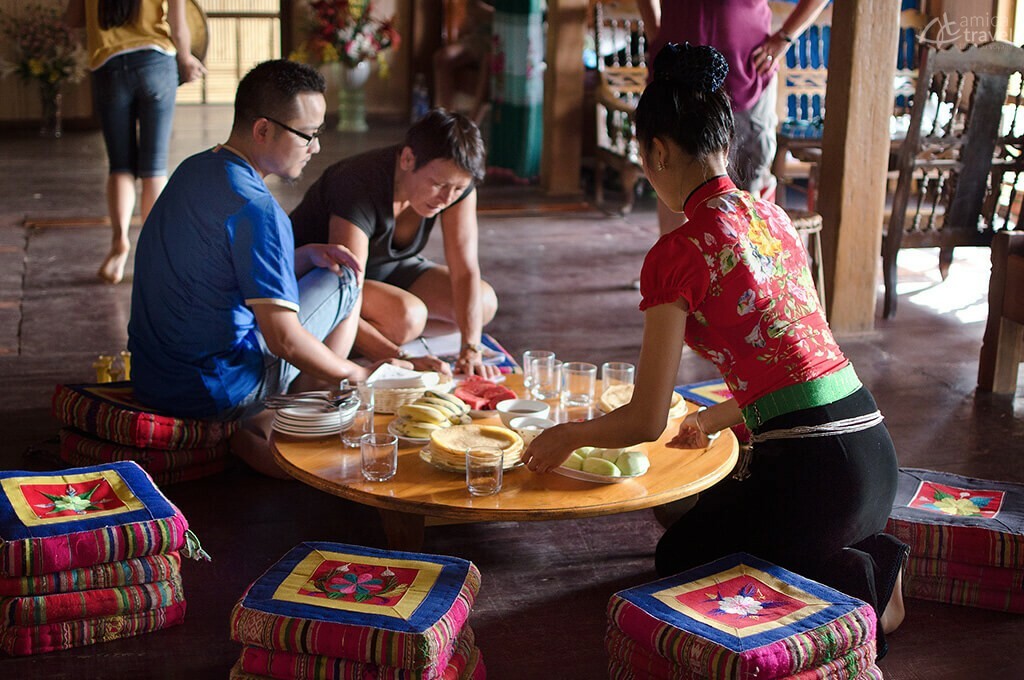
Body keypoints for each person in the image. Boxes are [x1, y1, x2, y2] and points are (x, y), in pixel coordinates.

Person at [521, 44, 907, 657]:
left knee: (678, 553)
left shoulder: (676, 253)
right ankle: (865, 547)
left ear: (658, 151)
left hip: (817, 476)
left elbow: (645, 420)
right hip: (874, 453)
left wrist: (566, 436)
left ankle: (855, 579)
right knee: (693, 515)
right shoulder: (775, 220)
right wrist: (714, 416)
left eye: (644, 157)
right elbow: (800, 361)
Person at [128, 59, 406, 478]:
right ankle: (310, 408)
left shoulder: (194, 168)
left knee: (321, 266)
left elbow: (216, 268)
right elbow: (284, 341)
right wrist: (356, 372)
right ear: (263, 129)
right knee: (346, 277)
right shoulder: (258, 207)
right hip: (215, 392)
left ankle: (276, 414)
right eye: (308, 135)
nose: (315, 148)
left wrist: (300, 254)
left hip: (152, 378)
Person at [289, 108, 500, 379]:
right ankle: (357, 338)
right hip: (323, 281)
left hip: (387, 270)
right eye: (438, 184)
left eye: (458, 189)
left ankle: (383, 329)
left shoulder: (454, 184)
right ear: (408, 159)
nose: (447, 198)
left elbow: (465, 269)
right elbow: (347, 287)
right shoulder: (357, 182)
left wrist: (471, 348)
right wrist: (403, 359)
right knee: (407, 317)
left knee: (482, 303)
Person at [636, 0, 829, 235]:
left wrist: (784, 37)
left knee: (749, 183)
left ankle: (747, 266)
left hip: (747, 72)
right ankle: (672, 267)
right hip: (676, 70)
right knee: (671, 168)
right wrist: (655, 30)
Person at [65, 0, 206, 284]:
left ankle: (119, 243)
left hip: (108, 66)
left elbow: (72, 19)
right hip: (155, 62)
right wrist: (187, 58)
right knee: (153, 169)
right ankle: (154, 255)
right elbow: (178, 27)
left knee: (120, 166)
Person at [432, 0, 494, 124]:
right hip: (479, 37)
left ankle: (470, 127)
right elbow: (473, 7)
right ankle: (448, 123)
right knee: (443, 57)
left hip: (504, 36)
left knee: (488, 61)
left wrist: (489, 14)